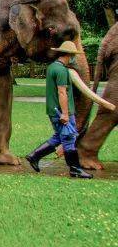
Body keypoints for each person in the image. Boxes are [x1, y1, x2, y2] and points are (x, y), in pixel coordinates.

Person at [24, 41, 92, 179]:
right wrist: (66, 113)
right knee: (69, 138)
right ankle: (75, 169)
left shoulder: (52, 67)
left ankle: (34, 156)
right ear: (70, 55)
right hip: (61, 112)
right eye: (73, 56)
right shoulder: (61, 70)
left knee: (59, 136)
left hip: (54, 110)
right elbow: (62, 92)